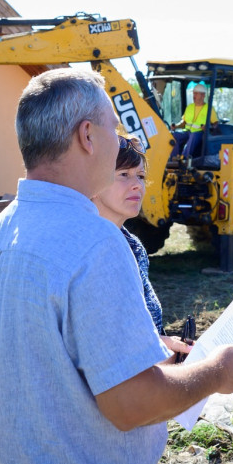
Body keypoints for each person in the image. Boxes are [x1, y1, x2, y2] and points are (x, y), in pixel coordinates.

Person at [0, 68, 233, 464]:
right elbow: (131, 404)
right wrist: (218, 372)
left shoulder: (3, 228)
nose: (120, 143)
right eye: (114, 130)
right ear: (87, 135)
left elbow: (46, 354)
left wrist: (147, 348)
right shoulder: (96, 244)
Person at [92, 133, 163, 333]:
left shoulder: (134, 246)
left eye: (140, 176)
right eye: (124, 174)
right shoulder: (87, 250)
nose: (137, 185)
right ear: (94, 183)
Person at [170, 82, 216, 159]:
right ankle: (174, 158)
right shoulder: (189, 107)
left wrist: (209, 127)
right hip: (187, 131)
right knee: (174, 135)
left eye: (196, 94)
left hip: (199, 132)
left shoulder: (209, 108)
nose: (194, 96)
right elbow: (184, 122)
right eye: (194, 93)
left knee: (193, 136)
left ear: (203, 95)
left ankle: (184, 158)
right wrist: (176, 126)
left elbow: (215, 123)